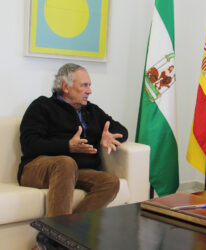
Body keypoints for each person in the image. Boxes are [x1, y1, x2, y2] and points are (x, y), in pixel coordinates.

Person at [18, 63, 128, 217]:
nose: (89, 90)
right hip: (36, 169)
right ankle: (55, 238)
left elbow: (121, 130)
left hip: (76, 171)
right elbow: (29, 145)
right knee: (66, 163)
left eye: (89, 85)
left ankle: (69, 233)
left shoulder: (92, 110)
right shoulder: (42, 106)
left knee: (110, 181)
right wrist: (67, 146)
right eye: (84, 85)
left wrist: (108, 135)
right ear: (65, 86)